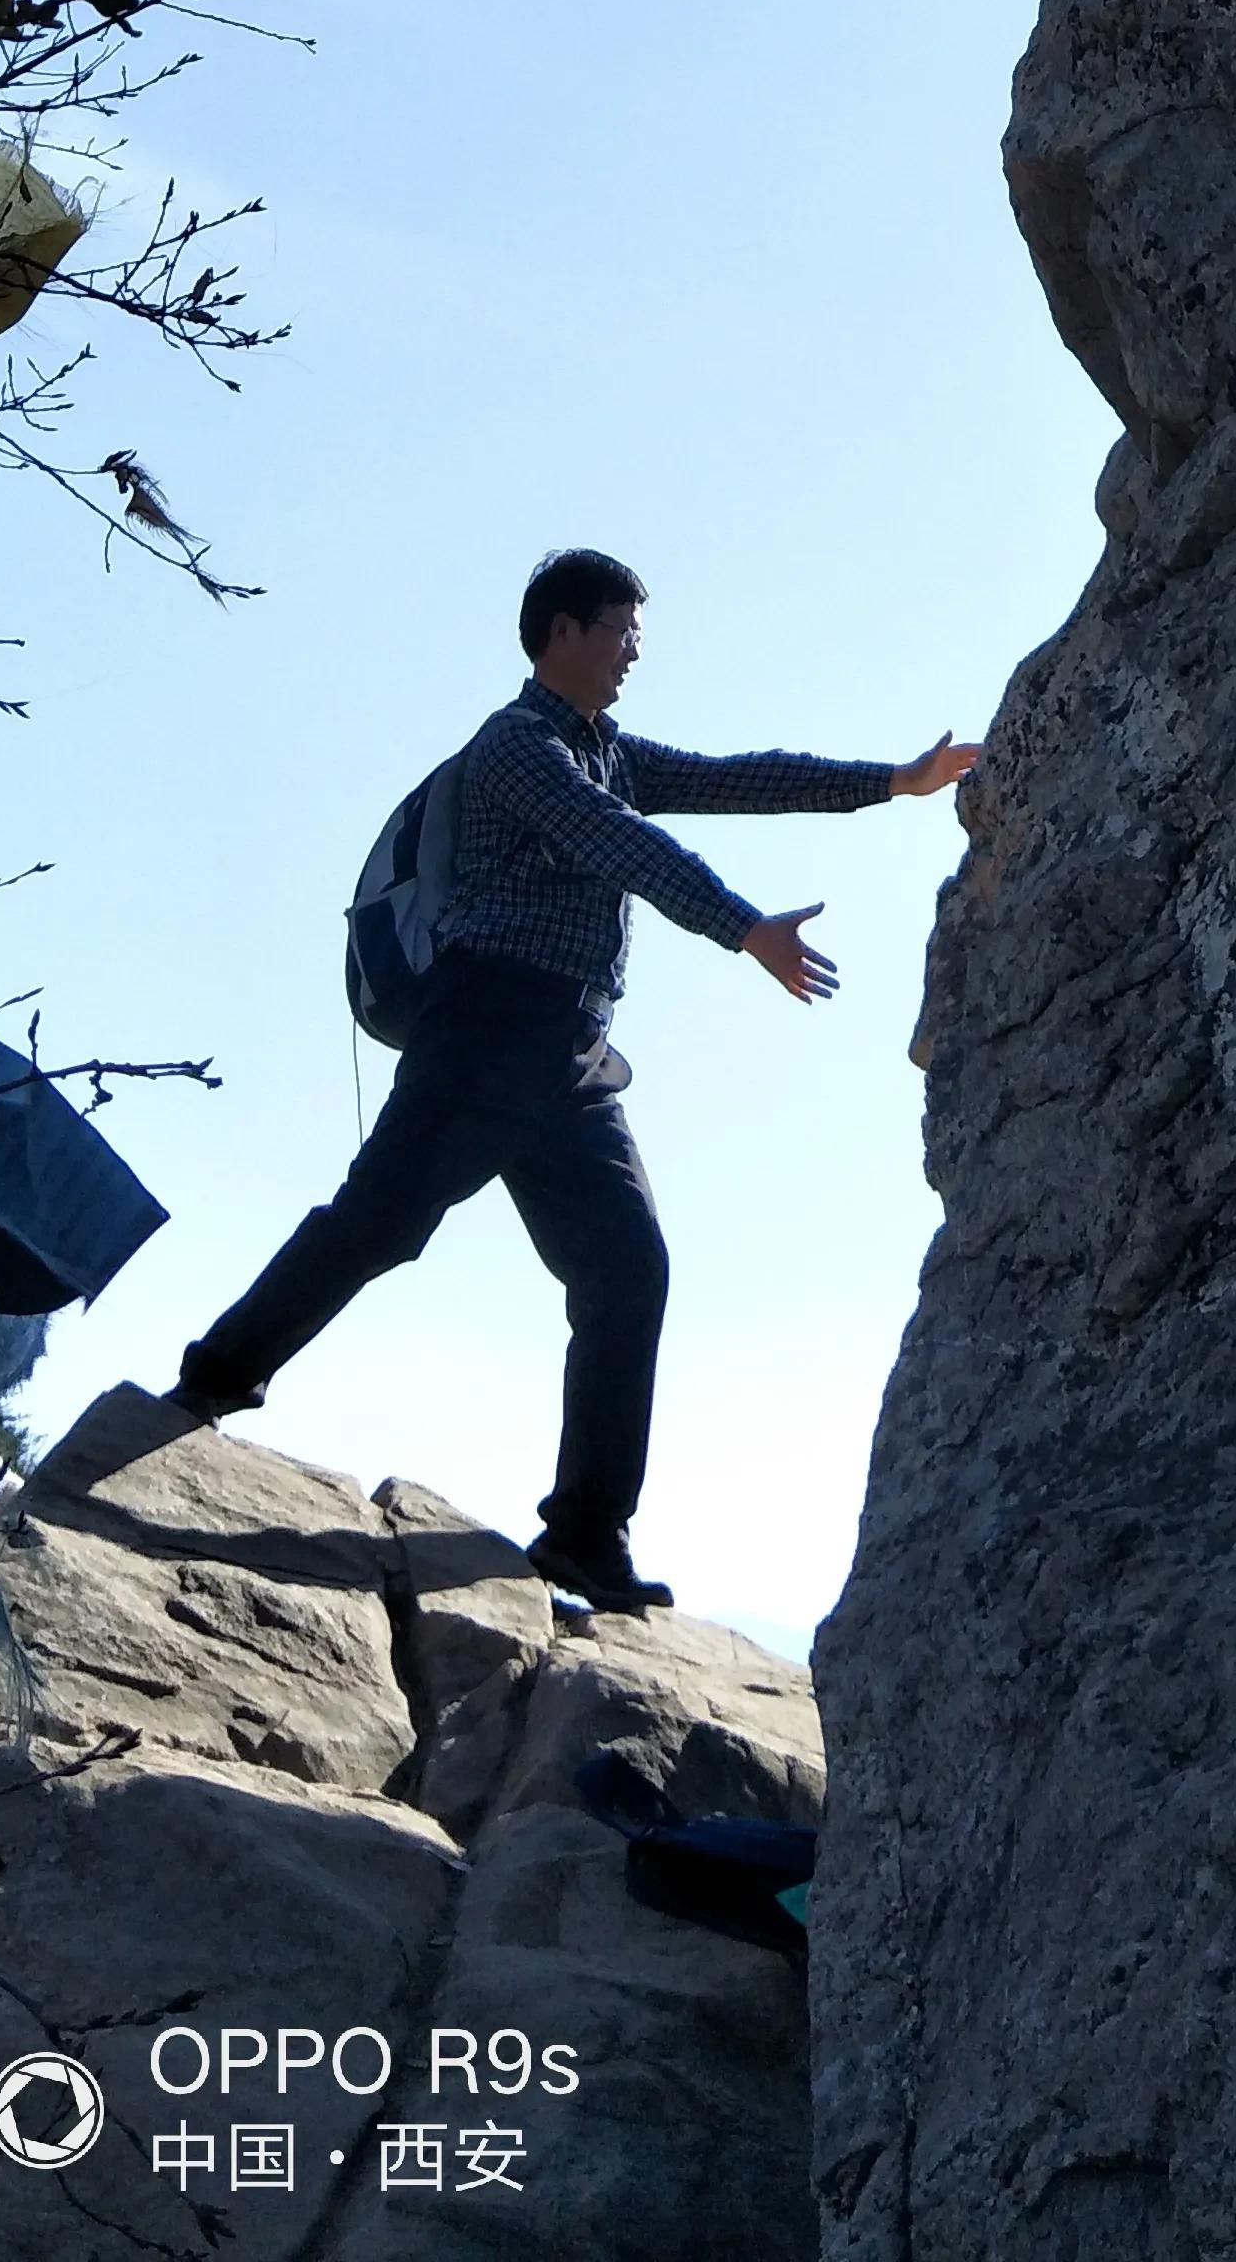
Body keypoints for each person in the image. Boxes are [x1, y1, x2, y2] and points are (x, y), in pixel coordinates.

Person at [169, 545, 979, 1613]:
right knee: (377, 1226)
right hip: (485, 1027)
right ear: (562, 632)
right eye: (621, 630)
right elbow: (620, 845)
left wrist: (890, 783)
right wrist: (744, 930)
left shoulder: (608, 749)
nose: (635, 650)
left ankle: (586, 1535)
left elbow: (734, 778)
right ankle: (214, 1379)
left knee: (627, 1270)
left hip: (572, 1061)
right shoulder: (516, 748)